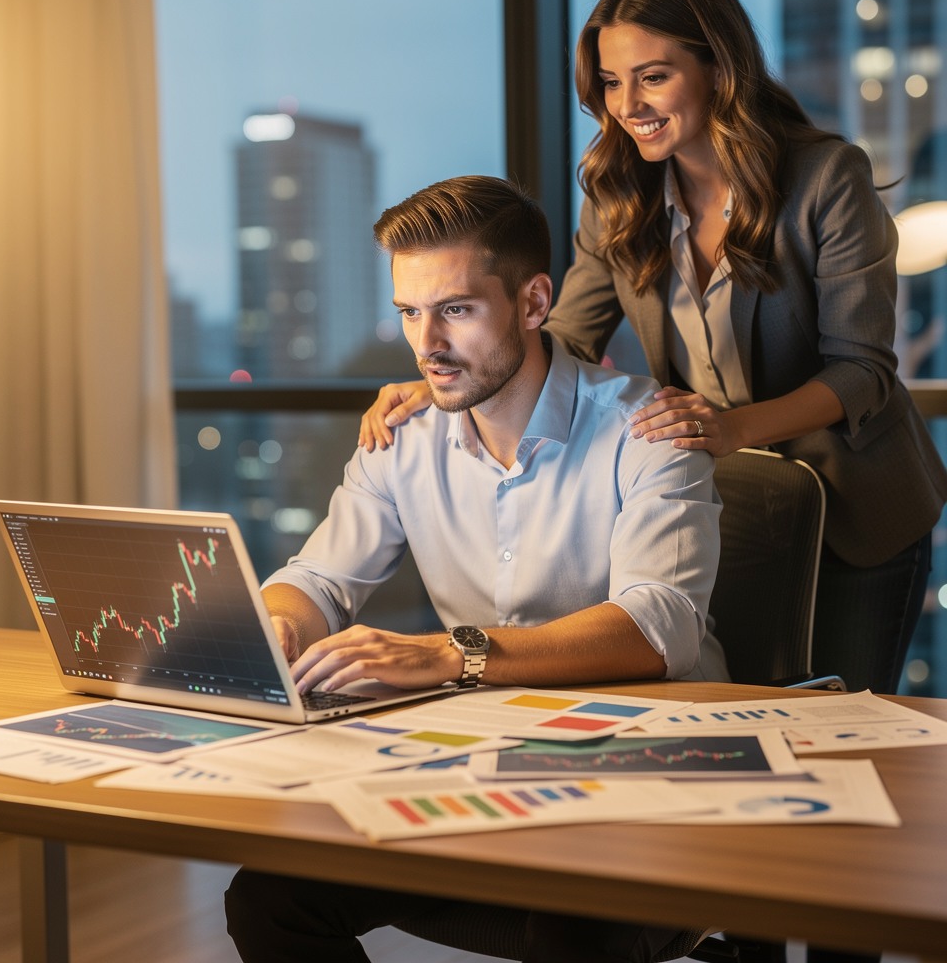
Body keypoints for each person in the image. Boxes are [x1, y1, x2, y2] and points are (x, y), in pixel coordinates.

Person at [359, 0, 947, 700]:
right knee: (747, 714)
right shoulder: (617, 195)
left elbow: (864, 371)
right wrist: (448, 373)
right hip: (730, 497)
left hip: (859, 503)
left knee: (852, 725)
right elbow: (563, 333)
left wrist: (734, 427)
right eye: (610, 81)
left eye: (653, 75)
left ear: (718, 68)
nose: (627, 102)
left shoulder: (826, 179)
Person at [225, 174, 727, 963]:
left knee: (578, 924)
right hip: (481, 776)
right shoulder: (403, 438)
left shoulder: (647, 428)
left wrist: (449, 653)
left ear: (533, 304)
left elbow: (659, 626)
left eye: (455, 309)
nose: (427, 343)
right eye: (409, 312)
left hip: (635, 783)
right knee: (269, 898)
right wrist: (282, 624)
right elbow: (319, 578)